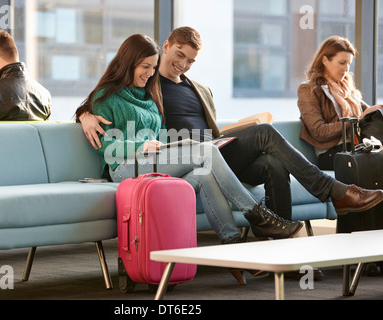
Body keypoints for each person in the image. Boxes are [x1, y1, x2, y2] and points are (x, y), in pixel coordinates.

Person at [79, 28, 383, 229]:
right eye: (179, 56)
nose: (183, 65)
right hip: (188, 153)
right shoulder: (148, 83)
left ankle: (279, 247)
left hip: (217, 148)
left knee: (269, 151)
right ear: (166, 47)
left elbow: (210, 129)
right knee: (268, 148)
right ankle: (332, 192)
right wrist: (84, 114)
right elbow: (109, 96)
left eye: (191, 60)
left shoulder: (199, 88)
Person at [75, 33, 305, 246]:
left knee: (203, 175)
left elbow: (161, 132)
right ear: (128, 63)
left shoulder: (149, 94)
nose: (149, 73)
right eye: (145, 67)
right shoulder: (106, 96)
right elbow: (106, 148)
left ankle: (232, 243)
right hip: (123, 168)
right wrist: (140, 144)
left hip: (153, 159)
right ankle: (258, 214)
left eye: (153, 68)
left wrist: (169, 146)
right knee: (208, 152)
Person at [298, 35, 383, 170]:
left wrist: (376, 110)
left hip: (356, 147)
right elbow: (318, 131)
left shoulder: (346, 88)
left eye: (349, 64)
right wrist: (354, 120)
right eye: (342, 63)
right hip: (332, 153)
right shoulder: (309, 89)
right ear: (325, 60)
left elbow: (367, 113)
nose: (346, 69)